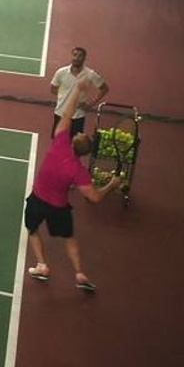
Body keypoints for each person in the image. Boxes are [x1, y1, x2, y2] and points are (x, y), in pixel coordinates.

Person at [26, 78, 124, 293]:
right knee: (69, 238)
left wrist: (77, 91)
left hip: (37, 199)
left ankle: (42, 265)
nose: (81, 131)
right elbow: (95, 198)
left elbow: (67, 115)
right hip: (59, 208)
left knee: (32, 229)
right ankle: (79, 273)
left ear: (74, 142)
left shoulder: (60, 142)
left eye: (81, 134)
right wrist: (112, 184)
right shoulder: (79, 171)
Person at [50, 46, 108, 138]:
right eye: (75, 55)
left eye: (80, 56)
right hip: (60, 113)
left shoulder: (90, 74)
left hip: (78, 116)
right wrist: (63, 97)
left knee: (75, 144)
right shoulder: (61, 72)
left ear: (84, 58)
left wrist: (90, 104)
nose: (76, 58)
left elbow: (104, 89)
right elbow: (53, 89)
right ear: (71, 56)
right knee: (57, 142)